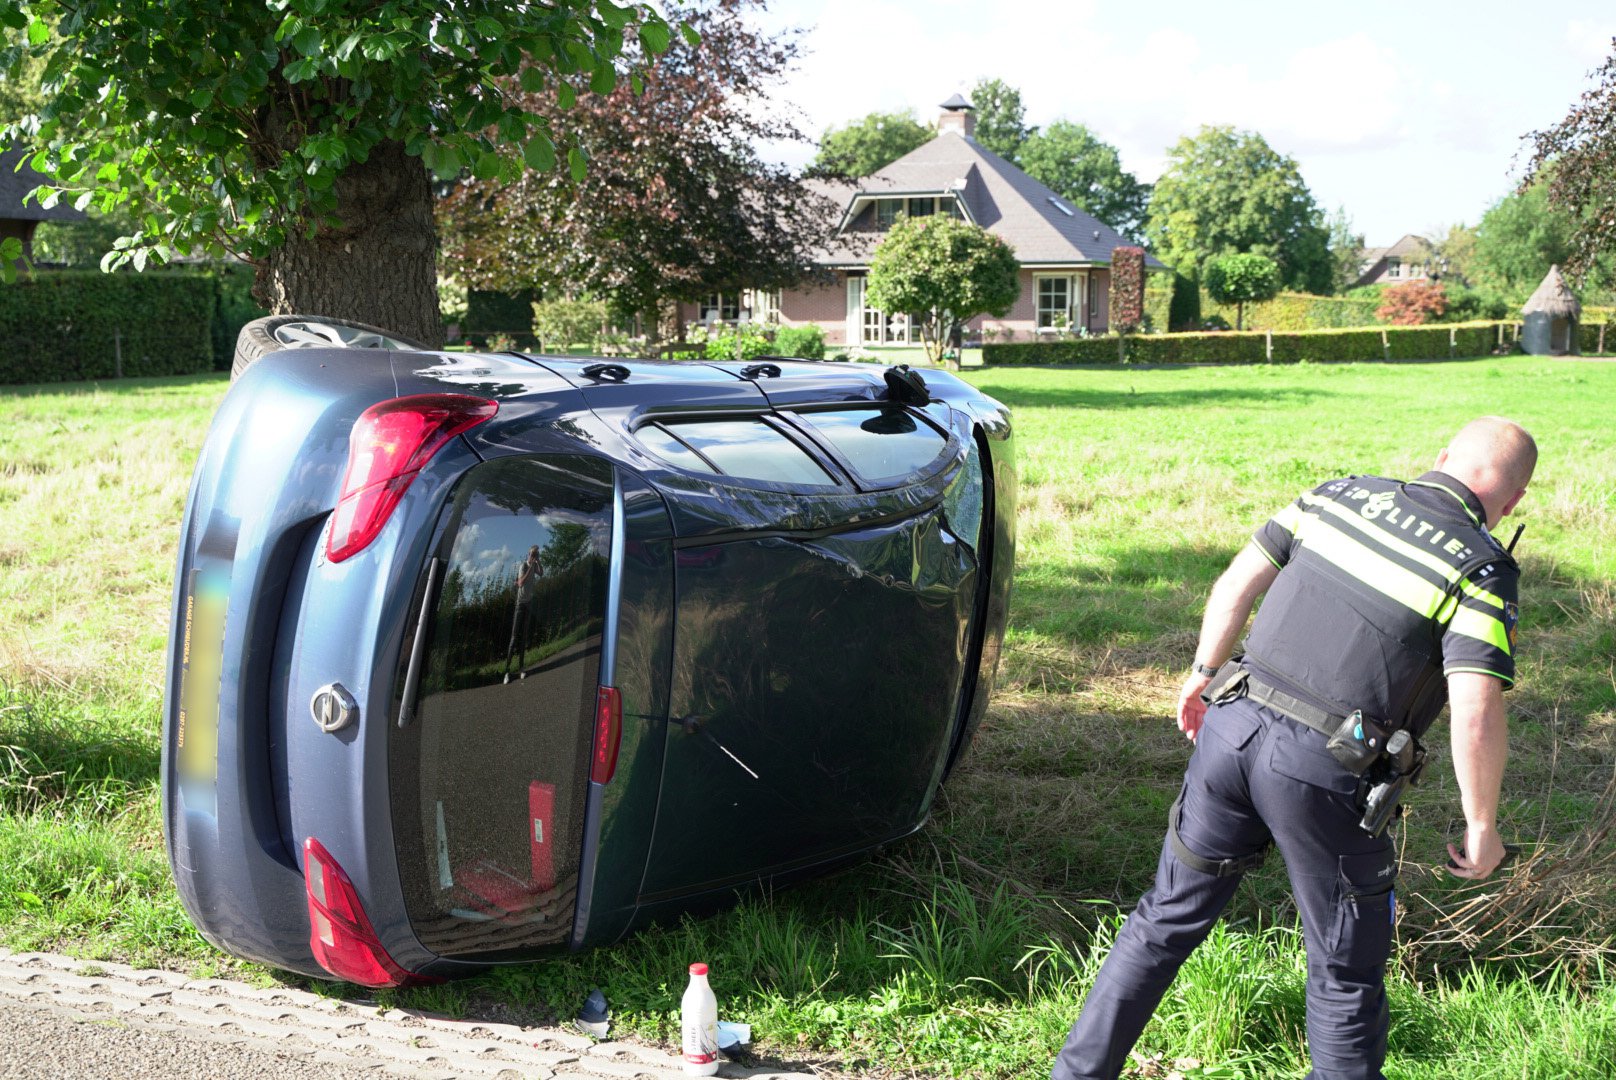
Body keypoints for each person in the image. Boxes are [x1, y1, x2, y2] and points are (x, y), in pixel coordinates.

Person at [1051, 417, 1538, 1080]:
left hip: (1231, 729)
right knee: (1344, 970)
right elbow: (1476, 707)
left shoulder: (1336, 495)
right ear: (1514, 500)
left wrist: (1202, 672)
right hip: (1327, 772)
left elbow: (1236, 582)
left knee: (1163, 919)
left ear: (1443, 456)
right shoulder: (1480, 567)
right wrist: (1482, 824)